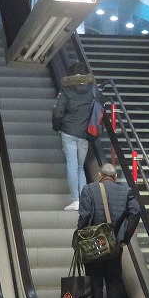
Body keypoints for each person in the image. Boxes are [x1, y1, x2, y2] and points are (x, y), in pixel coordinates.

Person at [76, 164, 142, 298]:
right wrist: (125, 237)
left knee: (95, 284)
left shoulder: (89, 189)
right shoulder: (126, 191)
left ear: (100, 175)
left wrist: (81, 234)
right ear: (115, 176)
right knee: (114, 284)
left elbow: (85, 215)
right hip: (114, 246)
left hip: (94, 246)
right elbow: (136, 212)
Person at [52, 62, 97, 210]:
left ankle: (75, 200)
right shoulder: (92, 90)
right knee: (80, 167)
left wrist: (57, 127)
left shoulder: (67, 89)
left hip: (68, 131)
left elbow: (58, 111)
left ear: (70, 74)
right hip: (85, 133)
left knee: (71, 165)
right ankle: (83, 201)